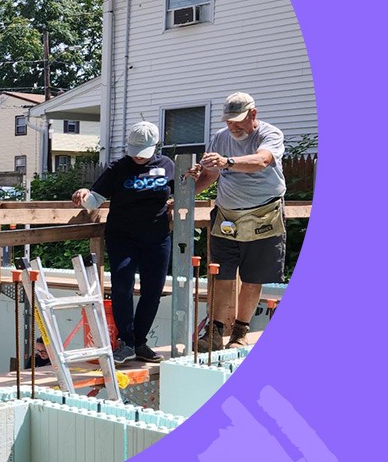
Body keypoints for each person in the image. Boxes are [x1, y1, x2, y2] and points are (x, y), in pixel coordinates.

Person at [186, 92, 286, 351]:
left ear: (253, 114)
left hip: (264, 214)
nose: (233, 127)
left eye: (239, 121)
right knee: (221, 272)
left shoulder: (270, 135)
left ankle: (240, 331)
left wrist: (227, 162)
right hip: (227, 214)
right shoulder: (220, 137)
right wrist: (187, 192)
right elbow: (209, 175)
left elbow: (262, 161)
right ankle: (215, 331)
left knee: (253, 277)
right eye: (229, 121)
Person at [72, 121, 176, 364]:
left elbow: (180, 192)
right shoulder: (118, 168)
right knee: (122, 286)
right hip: (123, 236)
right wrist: (83, 194)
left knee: (153, 290)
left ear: (155, 146)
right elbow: (95, 199)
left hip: (157, 237)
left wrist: (178, 199)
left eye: (144, 153)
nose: (138, 158)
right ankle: (126, 342)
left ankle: (139, 343)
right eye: (135, 152)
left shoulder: (167, 166)